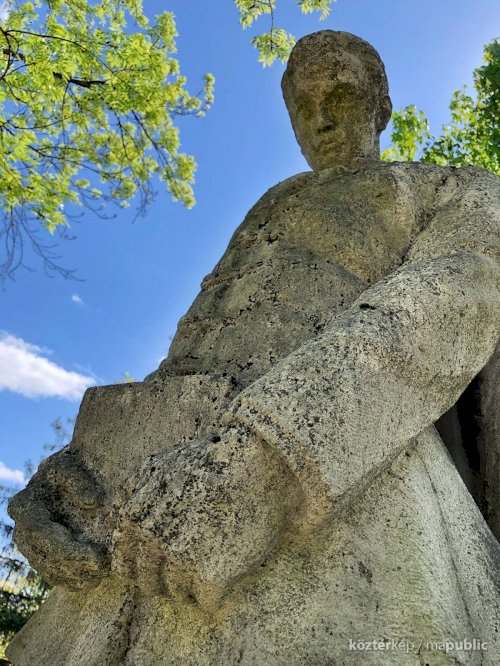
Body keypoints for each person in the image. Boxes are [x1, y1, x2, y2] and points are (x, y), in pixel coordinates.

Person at [8, 31, 500, 665]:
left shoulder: (452, 187)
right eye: (302, 105)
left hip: (341, 487)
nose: (321, 120)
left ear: (382, 104)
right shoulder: (274, 200)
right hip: (134, 529)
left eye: (341, 95)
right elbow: (195, 358)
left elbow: (446, 304)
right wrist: (81, 476)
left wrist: (264, 462)